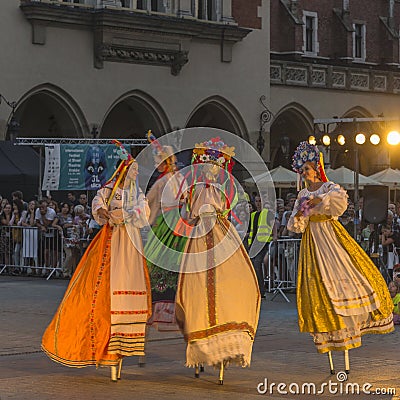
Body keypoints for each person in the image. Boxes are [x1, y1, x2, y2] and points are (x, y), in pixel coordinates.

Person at [42, 141, 152, 382]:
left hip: (131, 241)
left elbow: (144, 212)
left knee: (129, 285)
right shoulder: (109, 189)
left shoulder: (137, 193)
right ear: (124, 169)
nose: (136, 173)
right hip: (112, 240)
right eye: (133, 169)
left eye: (136, 170)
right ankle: (103, 345)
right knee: (101, 285)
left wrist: (126, 214)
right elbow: (98, 206)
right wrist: (104, 213)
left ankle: (122, 345)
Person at [287, 141, 394, 373]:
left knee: (345, 272)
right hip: (312, 241)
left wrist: (319, 202)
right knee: (318, 286)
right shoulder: (302, 193)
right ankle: (328, 335)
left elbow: (338, 205)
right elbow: (296, 226)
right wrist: (299, 212)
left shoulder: (328, 187)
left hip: (330, 235)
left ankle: (350, 324)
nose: (304, 174)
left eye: (306, 169)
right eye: (301, 170)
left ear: (316, 168)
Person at [175, 137, 260, 383]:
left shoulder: (226, 189)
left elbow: (238, 210)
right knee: (195, 289)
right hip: (199, 235)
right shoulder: (194, 190)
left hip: (222, 234)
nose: (210, 170)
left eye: (215, 166)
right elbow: (185, 214)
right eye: (206, 165)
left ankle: (227, 343)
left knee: (231, 282)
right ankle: (200, 348)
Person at [144, 132, 188, 331]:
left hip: (169, 222)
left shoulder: (166, 181)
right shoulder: (173, 180)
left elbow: (149, 203)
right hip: (172, 222)